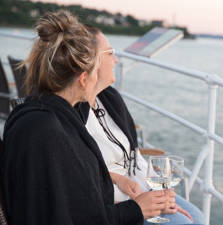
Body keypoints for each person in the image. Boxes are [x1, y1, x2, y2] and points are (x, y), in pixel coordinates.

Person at [0, 10, 167, 225]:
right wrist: (137, 209)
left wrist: (115, 178)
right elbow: (78, 217)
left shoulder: (40, 116)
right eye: (96, 72)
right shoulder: (48, 131)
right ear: (83, 79)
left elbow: (71, 188)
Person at [76, 26, 205, 225]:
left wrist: (161, 191)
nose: (116, 60)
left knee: (197, 217)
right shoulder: (73, 112)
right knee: (184, 223)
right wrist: (136, 194)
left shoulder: (109, 98)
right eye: (110, 53)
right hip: (115, 204)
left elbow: (134, 156)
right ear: (91, 61)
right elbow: (79, 171)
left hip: (139, 190)